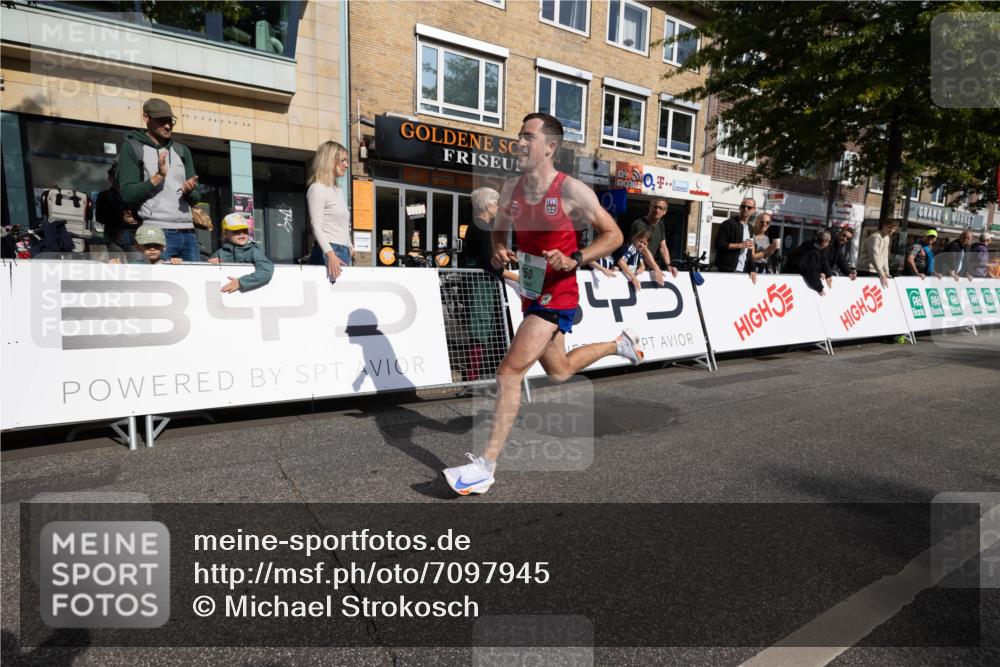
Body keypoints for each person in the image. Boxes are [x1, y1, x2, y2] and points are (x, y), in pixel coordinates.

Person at [442, 113, 643, 496]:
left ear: (549, 147)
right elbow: (499, 229)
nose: (520, 142)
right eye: (519, 136)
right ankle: (620, 344)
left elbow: (614, 234)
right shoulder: (511, 187)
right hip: (532, 291)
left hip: (558, 293)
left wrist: (576, 258)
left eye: (528, 137)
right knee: (561, 370)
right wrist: (501, 249)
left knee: (508, 372)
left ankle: (485, 467)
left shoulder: (571, 191)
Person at [117, 98, 201, 261]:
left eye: (170, 121)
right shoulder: (133, 148)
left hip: (188, 233)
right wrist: (158, 177)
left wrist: (189, 192)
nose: (168, 126)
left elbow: (197, 198)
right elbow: (127, 194)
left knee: (192, 284)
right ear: (146, 117)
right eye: (162, 121)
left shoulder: (182, 151)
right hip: (154, 233)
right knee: (157, 285)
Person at [459, 187, 517, 382]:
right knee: (481, 330)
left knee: (485, 330)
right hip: (480, 287)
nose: (499, 208)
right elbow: (489, 264)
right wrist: (518, 278)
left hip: (479, 285)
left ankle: (478, 374)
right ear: (488, 205)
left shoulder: (476, 226)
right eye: (497, 203)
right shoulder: (483, 228)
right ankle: (472, 378)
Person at [307, 140, 353, 283]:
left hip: (342, 251)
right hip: (328, 251)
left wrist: (350, 245)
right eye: (343, 160)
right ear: (330, 160)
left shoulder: (338, 191)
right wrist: (330, 254)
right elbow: (316, 226)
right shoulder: (317, 188)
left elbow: (343, 224)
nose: (347, 165)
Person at [208, 213, 274, 293]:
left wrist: (240, 282)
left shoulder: (253, 251)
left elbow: (266, 271)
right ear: (225, 234)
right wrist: (211, 265)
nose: (242, 233)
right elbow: (207, 274)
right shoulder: (219, 253)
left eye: (245, 230)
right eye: (236, 231)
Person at [629, 198, 675, 281]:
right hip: (633, 268)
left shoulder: (661, 225)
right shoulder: (640, 224)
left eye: (660, 208)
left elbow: (663, 247)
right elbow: (643, 248)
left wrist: (668, 265)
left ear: (665, 211)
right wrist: (656, 268)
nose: (657, 210)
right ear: (650, 207)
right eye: (655, 207)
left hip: (648, 269)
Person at [714, 197, 758, 281]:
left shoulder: (750, 227)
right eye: (743, 206)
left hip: (743, 270)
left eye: (749, 207)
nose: (745, 209)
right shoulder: (728, 224)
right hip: (727, 269)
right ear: (739, 207)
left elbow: (749, 250)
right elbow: (718, 244)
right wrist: (740, 245)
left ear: (753, 210)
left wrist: (752, 269)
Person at [786, 229, 834, 294]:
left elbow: (821, 262)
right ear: (825, 242)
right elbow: (810, 270)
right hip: (791, 278)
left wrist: (823, 273)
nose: (828, 244)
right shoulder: (812, 252)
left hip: (790, 275)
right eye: (828, 242)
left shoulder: (810, 246)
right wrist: (820, 288)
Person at [857, 219, 898, 288]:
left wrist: (886, 272)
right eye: (889, 227)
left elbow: (885, 257)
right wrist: (882, 274)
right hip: (865, 270)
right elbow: (874, 257)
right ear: (884, 226)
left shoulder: (887, 238)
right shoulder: (876, 237)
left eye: (894, 228)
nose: (891, 230)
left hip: (876, 271)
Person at [108, 225, 177, 265]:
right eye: (147, 245)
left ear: (164, 247)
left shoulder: (169, 265)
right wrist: (116, 266)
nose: (152, 249)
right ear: (138, 247)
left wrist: (178, 264)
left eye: (156, 245)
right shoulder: (134, 265)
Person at [617, 222, 651, 292]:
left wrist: (640, 269)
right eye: (640, 242)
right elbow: (621, 262)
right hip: (620, 275)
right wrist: (633, 278)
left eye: (645, 244)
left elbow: (643, 265)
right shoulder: (631, 248)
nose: (642, 245)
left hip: (628, 277)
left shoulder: (639, 251)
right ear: (635, 239)